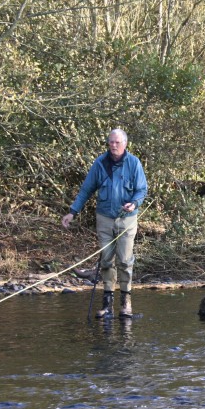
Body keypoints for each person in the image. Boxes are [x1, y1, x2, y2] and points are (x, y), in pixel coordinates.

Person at [62, 129, 148, 318]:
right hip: (104, 219)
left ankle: (126, 303)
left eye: (117, 142)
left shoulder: (134, 163)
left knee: (125, 261)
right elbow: (86, 190)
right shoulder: (100, 163)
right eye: (110, 142)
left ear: (125, 144)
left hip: (127, 220)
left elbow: (142, 189)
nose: (113, 145)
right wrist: (72, 212)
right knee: (107, 261)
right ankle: (107, 305)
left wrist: (134, 203)